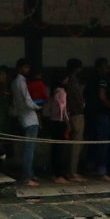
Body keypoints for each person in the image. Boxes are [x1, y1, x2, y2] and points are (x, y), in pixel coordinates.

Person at [12, 58, 40, 187]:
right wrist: (39, 105)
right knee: (30, 150)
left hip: (22, 116)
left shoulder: (14, 82)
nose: (27, 70)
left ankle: (30, 173)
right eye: (25, 68)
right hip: (30, 117)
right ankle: (26, 177)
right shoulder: (21, 82)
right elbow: (28, 102)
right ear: (19, 68)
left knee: (28, 149)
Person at [63, 59, 87, 182]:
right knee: (76, 144)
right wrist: (83, 103)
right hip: (76, 114)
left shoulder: (68, 80)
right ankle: (72, 172)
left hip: (71, 113)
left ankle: (72, 171)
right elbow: (78, 98)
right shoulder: (73, 81)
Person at [46, 69, 70, 183]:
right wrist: (67, 122)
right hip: (60, 122)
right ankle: (58, 174)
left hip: (53, 120)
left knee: (55, 149)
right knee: (59, 149)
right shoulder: (62, 92)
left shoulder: (53, 91)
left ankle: (54, 173)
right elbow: (63, 109)